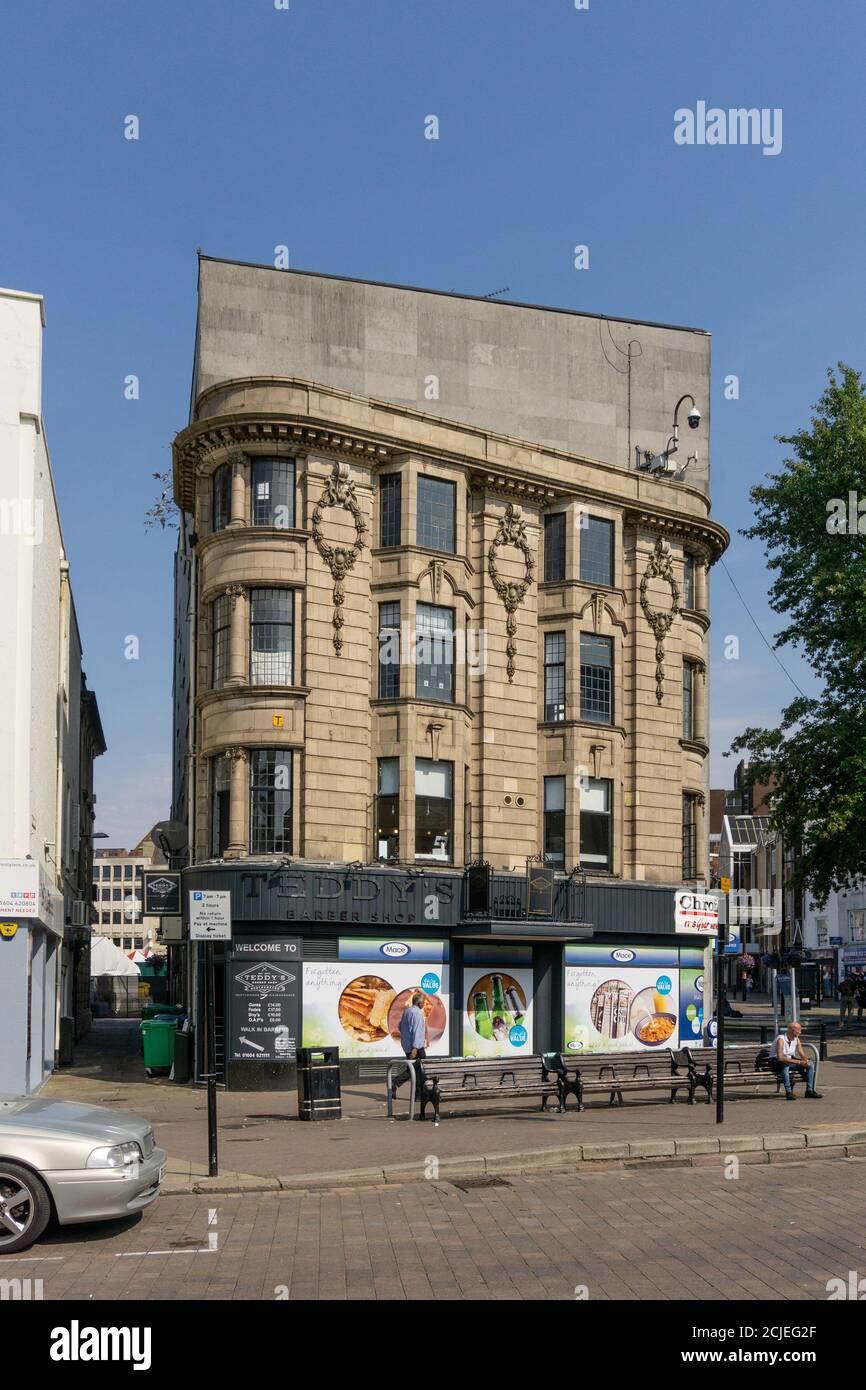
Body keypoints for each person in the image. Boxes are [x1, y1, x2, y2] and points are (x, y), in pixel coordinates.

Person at [772, 1022, 822, 1100]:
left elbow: (801, 1052)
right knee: (785, 1065)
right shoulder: (781, 1039)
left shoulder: (796, 1039)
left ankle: (809, 1091)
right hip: (775, 1062)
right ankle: (788, 1092)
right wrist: (798, 1062)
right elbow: (780, 1058)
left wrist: (805, 1060)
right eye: (799, 1030)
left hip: (788, 1061)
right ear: (793, 1031)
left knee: (810, 1064)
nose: (800, 1032)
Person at [398, 991, 429, 1062]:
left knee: (412, 1068)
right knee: (421, 1069)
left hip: (406, 1046)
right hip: (415, 1049)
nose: (424, 1004)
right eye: (423, 1003)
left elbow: (400, 1026)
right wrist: (415, 1048)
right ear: (419, 1003)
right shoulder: (417, 1013)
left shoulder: (407, 1011)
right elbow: (417, 1030)